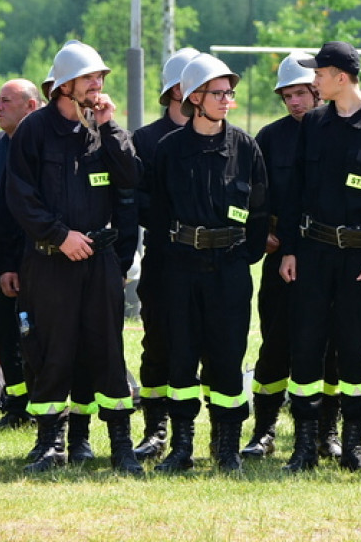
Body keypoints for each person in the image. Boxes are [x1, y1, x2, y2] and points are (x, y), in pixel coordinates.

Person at [5, 40, 142, 475]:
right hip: (49, 262)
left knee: (106, 349)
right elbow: (21, 198)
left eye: (100, 78)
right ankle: (51, 443)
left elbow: (131, 181)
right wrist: (60, 237)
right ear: (64, 86)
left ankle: (119, 443)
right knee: (50, 349)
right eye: (89, 78)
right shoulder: (34, 130)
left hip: (99, 263)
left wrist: (112, 127)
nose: (97, 85)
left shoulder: (102, 130)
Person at [278, 41, 361, 474]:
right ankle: (304, 448)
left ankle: (353, 449)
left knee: (355, 355)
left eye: (319, 73)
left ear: (340, 76)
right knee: (306, 351)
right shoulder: (314, 123)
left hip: (360, 262)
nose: (313, 80)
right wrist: (292, 250)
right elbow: (295, 193)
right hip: (314, 254)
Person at [152, 53, 269, 473]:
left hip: (229, 270)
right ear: (194, 97)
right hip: (181, 269)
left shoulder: (245, 147)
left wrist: (244, 257)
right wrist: (175, 256)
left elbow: (259, 209)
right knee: (181, 357)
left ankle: (227, 447)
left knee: (227, 358)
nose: (226, 100)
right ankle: (182, 447)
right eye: (218, 93)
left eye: (229, 94)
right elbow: (157, 209)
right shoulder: (169, 150)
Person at [241, 51, 344, 462]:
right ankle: (264, 429)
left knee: (331, 348)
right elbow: (251, 193)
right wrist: (263, 232)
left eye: (302, 92)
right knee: (276, 345)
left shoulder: (341, 132)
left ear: (319, 90)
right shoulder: (269, 137)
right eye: (287, 96)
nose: (295, 102)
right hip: (281, 256)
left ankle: (327, 432)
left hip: (329, 257)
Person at [129, 47, 199, 461]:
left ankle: (197, 434)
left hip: (206, 264)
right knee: (157, 345)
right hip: (162, 258)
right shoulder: (146, 140)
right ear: (177, 89)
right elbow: (136, 200)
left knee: (207, 346)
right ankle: (155, 428)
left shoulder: (220, 136)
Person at [0, 79, 40, 430]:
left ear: (31, 106)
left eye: (6, 101)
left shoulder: (47, 148)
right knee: (4, 333)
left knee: (40, 337)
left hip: (40, 263)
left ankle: (47, 405)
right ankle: (17, 405)